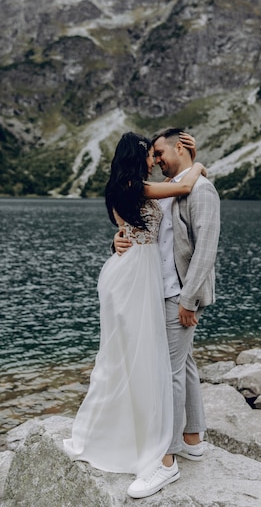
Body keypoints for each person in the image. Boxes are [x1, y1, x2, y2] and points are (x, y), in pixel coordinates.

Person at [64, 131, 205, 499]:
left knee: (122, 356)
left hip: (124, 273)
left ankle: (159, 435)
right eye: (149, 154)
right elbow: (185, 185)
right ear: (137, 156)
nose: (153, 160)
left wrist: (117, 240)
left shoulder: (118, 187)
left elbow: (127, 228)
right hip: (134, 278)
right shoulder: (138, 187)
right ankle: (158, 449)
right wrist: (200, 162)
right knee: (134, 357)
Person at [114, 127, 221, 496]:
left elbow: (207, 249)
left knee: (168, 373)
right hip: (156, 292)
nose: (156, 160)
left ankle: (166, 460)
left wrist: (189, 300)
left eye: (160, 153)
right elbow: (148, 235)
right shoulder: (170, 188)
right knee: (184, 365)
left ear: (180, 147)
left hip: (178, 296)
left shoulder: (201, 189)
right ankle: (191, 439)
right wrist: (120, 239)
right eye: (152, 155)